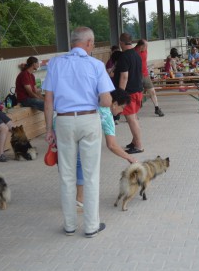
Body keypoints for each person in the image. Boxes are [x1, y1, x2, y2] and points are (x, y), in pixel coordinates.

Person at [43, 26, 114, 238]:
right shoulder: (96, 65)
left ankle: (69, 225)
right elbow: (106, 100)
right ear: (89, 43)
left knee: (66, 175)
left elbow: (48, 100)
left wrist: (48, 129)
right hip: (89, 118)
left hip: (63, 121)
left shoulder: (55, 63)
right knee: (91, 174)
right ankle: (91, 226)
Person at [75, 88, 137, 209]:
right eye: (122, 107)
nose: (122, 111)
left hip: (63, 125)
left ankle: (72, 197)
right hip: (80, 136)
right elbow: (112, 145)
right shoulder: (107, 115)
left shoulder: (94, 101)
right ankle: (80, 200)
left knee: (69, 166)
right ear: (114, 104)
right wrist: (129, 157)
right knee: (81, 165)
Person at [113, 32, 144, 154]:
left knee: (131, 119)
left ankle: (139, 146)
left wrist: (120, 95)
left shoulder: (124, 56)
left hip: (129, 93)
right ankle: (135, 142)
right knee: (134, 117)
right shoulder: (137, 55)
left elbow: (124, 76)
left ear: (121, 43)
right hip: (138, 90)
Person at [134, 39, 164, 117]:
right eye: (146, 46)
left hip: (145, 75)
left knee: (152, 91)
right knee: (137, 95)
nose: (147, 47)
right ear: (141, 46)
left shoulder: (145, 50)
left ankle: (157, 108)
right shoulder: (133, 52)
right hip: (137, 76)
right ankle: (134, 113)